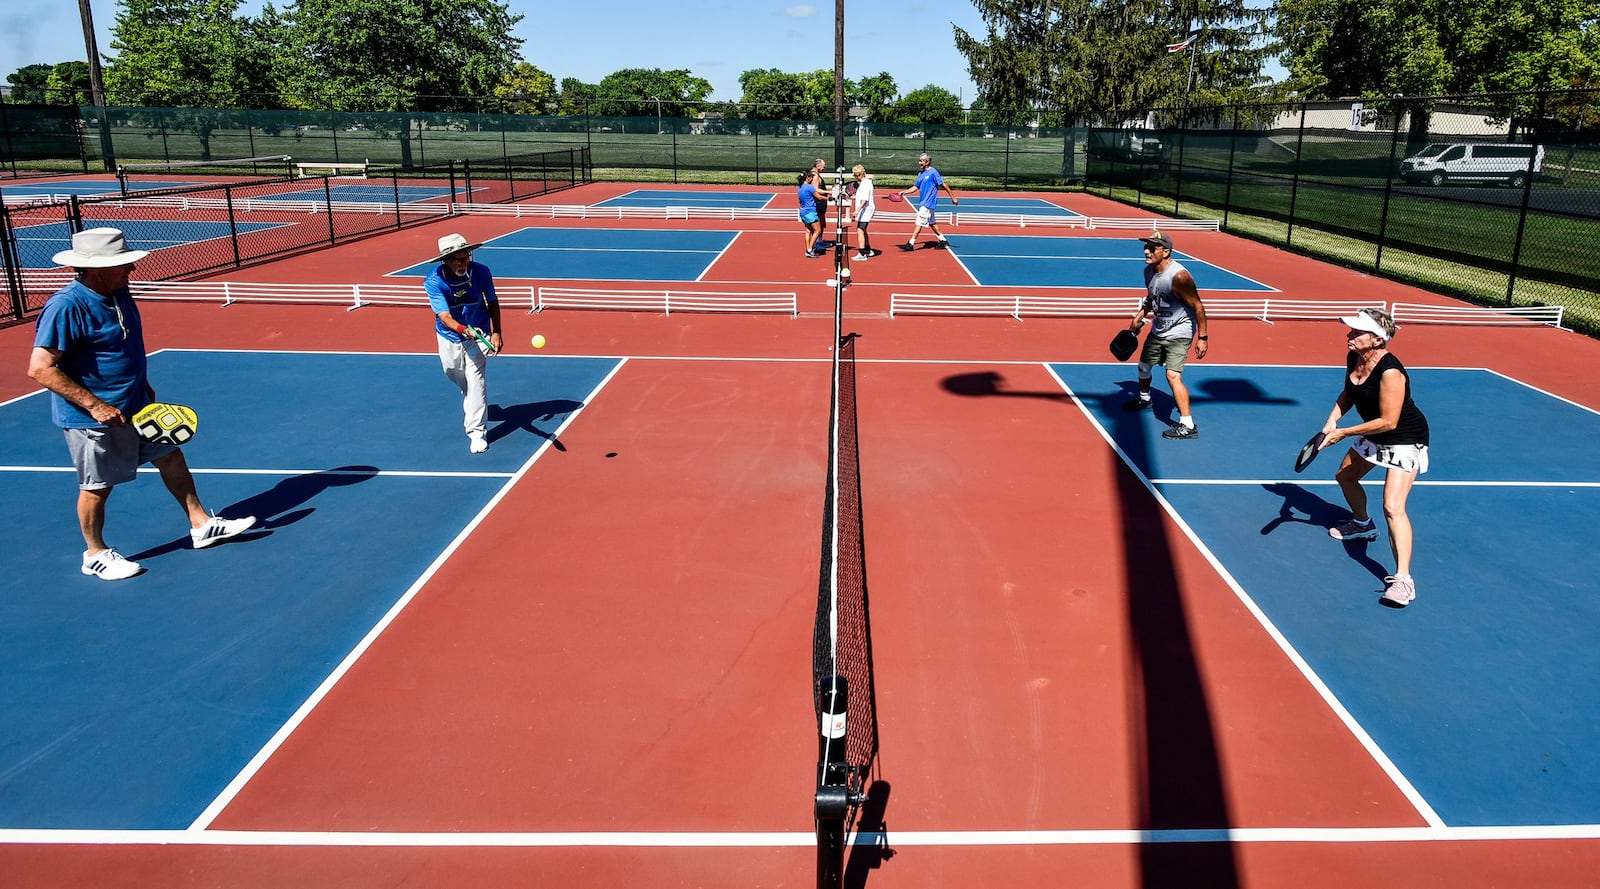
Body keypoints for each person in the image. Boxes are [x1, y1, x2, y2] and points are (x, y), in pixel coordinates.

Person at [27, 228, 257, 581]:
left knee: (171, 456)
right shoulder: (66, 306)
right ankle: (95, 553)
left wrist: (143, 385)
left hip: (136, 406)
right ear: (95, 269)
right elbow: (40, 368)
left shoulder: (119, 293)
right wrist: (95, 406)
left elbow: (122, 348)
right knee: (97, 486)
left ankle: (201, 525)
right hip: (95, 418)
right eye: (122, 265)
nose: (130, 269)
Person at [1319, 307, 1430, 608]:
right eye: (1351, 330)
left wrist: (1343, 433)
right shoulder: (1355, 358)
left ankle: (1404, 580)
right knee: (1345, 476)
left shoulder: (1391, 372)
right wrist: (1332, 421)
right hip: (1375, 432)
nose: (1349, 334)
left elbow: (1389, 421)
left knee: (1393, 507)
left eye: (1356, 332)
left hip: (1404, 439)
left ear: (1378, 339)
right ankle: (1362, 523)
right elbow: (1348, 394)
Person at [1122, 231, 1209, 439]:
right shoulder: (1148, 272)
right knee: (1143, 367)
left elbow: (1198, 306)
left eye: (1152, 248)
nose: (1146, 251)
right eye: (1146, 247)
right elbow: (1152, 298)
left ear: (1166, 251)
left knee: (1172, 375)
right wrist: (1140, 316)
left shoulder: (1179, 277)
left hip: (1180, 330)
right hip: (1159, 328)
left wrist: (1203, 337)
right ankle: (1144, 398)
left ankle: (1188, 425)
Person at [424, 232, 503, 454]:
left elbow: (493, 302)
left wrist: (496, 331)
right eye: (457, 259)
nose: (463, 262)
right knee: (456, 375)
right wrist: (462, 329)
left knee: (476, 380)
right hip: (449, 336)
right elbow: (445, 317)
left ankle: (477, 432)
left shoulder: (482, 272)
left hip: (479, 335)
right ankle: (471, 397)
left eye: (466, 256)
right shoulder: (434, 281)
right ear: (445, 261)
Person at [897, 153, 958, 250]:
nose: (919, 163)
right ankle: (943, 241)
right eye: (919, 160)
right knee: (932, 223)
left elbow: (944, 185)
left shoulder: (933, 172)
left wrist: (953, 197)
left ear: (927, 162)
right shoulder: (921, 174)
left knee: (919, 223)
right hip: (924, 202)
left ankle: (910, 244)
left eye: (921, 161)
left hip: (928, 203)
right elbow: (915, 187)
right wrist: (904, 192)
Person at [850, 163, 882, 259]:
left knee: (859, 230)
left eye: (855, 175)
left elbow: (864, 200)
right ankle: (867, 250)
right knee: (863, 230)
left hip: (866, 211)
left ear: (859, 174)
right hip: (865, 210)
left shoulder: (865, 184)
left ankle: (862, 254)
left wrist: (856, 211)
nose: (855, 177)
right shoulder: (865, 183)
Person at [797, 169, 828, 258]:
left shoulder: (800, 188)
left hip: (803, 212)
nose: (812, 178)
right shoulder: (809, 187)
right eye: (811, 176)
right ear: (807, 178)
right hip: (811, 212)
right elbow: (819, 197)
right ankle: (810, 250)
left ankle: (809, 248)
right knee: (817, 230)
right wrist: (830, 198)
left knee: (808, 231)